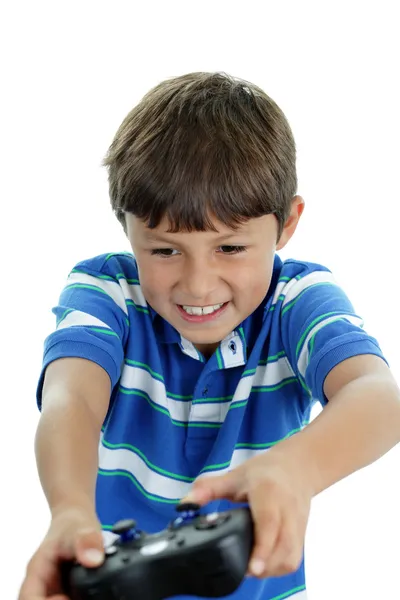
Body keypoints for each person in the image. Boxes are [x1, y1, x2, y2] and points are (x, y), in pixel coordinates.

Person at [19, 72, 400, 600]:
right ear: (125, 227)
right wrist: (69, 510)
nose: (197, 285)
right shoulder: (105, 291)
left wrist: (297, 467)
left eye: (231, 249)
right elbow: (71, 398)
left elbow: (378, 396)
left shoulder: (298, 298)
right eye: (163, 250)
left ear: (287, 223)